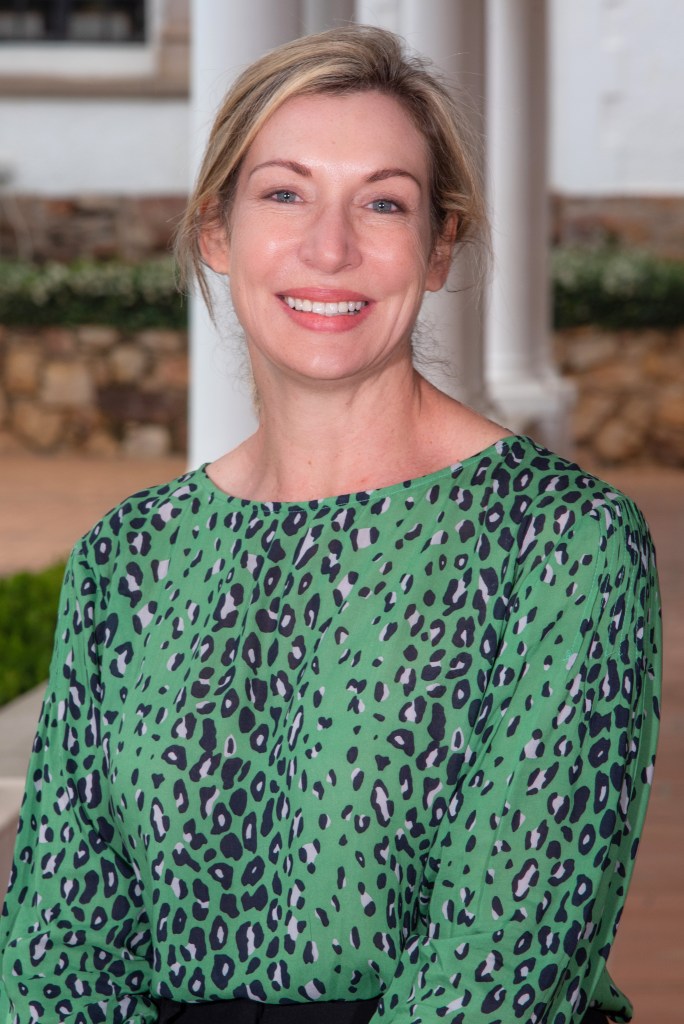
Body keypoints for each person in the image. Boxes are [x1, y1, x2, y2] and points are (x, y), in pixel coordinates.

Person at [0, 25, 660, 1024]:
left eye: (383, 202)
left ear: (438, 248)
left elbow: (506, 967)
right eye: (285, 193)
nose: (331, 247)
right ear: (216, 232)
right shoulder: (128, 559)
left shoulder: (565, 545)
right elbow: (54, 953)